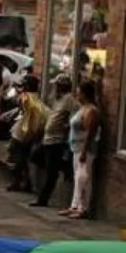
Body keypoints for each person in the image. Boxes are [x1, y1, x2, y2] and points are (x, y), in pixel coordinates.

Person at [30, 74, 78, 208]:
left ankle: (43, 198)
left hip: (56, 141)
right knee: (35, 157)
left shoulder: (69, 99)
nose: (54, 88)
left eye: (56, 85)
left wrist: (67, 126)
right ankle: (63, 166)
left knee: (52, 172)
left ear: (62, 87)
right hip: (47, 139)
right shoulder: (57, 99)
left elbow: (77, 113)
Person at [61, 81, 100, 220]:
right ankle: (75, 205)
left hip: (84, 149)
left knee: (83, 178)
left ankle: (83, 208)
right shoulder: (82, 108)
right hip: (75, 146)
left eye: (79, 92)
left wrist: (84, 151)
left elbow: (90, 132)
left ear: (85, 93)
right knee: (78, 177)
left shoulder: (91, 110)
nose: (77, 94)